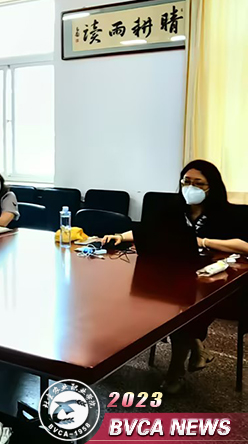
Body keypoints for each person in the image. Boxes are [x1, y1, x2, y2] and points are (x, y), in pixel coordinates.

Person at [102, 160, 248, 393]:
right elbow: (147, 231)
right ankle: (196, 347)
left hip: (217, 282)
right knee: (160, 299)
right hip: (178, 276)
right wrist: (120, 236)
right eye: (186, 181)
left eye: (199, 183)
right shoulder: (173, 209)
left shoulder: (227, 213)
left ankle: (176, 371)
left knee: (184, 309)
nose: (191, 187)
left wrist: (204, 241)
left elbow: (244, 245)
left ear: (212, 186)